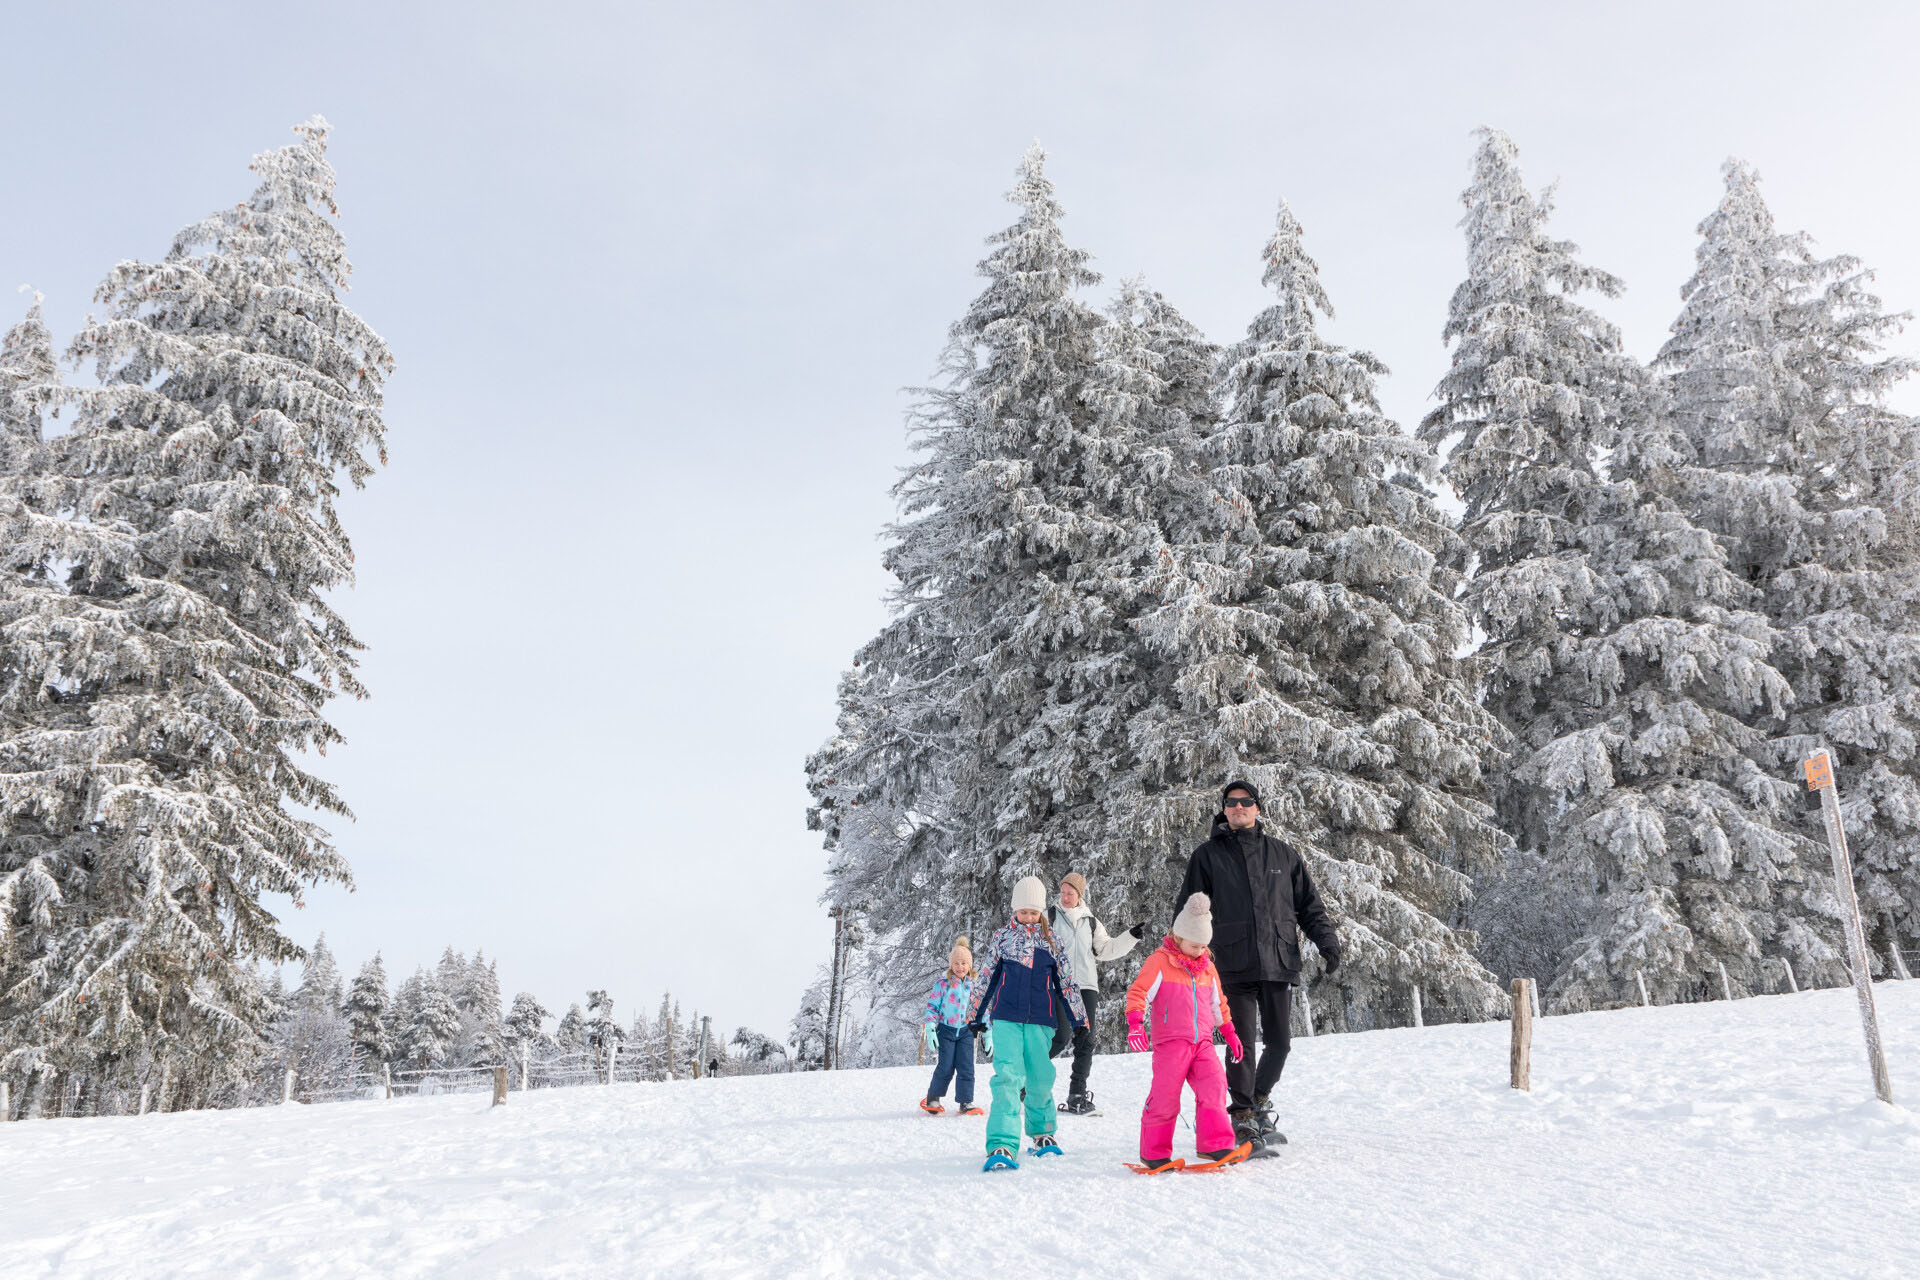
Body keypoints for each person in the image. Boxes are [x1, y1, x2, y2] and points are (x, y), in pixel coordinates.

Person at [1173, 779, 1341, 1149]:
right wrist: (1181, 953)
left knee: (1280, 1044)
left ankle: (1258, 1099)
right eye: (1231, 802)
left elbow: (1309, 906)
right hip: (1231, 963)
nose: (1239, 807)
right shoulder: (1207, 856)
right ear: (1224, 810)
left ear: (1257, 808)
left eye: (1246, 801)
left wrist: (1327, 942)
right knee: (1241, 1044)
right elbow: (1189, 909)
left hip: (1278, 959)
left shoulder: (1283, 854)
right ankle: (1243, 1115)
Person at [965, 876, 1087, 1172]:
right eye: (1023, 912)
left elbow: (1067, 984)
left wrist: (1079, 1021)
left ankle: (1043, 1133)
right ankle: (1002, 1143)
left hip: (1041, 1022)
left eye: (1034, 912)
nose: (1029, 917)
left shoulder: (1051, 941)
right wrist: (974, 1015)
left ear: (1041, 911)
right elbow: (986, 978)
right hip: (1006, 1018)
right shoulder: (1002, 938)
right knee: (1008, 1078)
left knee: (1040, 1078)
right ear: (1015, 909)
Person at [1124, 892, 1247, 1171]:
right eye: (1194, 945)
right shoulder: (1159, 962)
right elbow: (1139, 993)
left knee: (1214, 1086)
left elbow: (1219, 1004)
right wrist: (1135, 1023)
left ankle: (1215, 1144)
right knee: (1166, 1096)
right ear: (1178, 937)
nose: (1199, 951)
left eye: (1204, 946)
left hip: (1202, 1042)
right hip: (1171, 1043)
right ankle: (1154, 1152)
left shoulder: (1208, 968)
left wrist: (1230, 1033)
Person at [1048, 872, 1144, 1115]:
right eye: (1063, 892)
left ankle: (1077, 1095)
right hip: (1060, 984)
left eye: (1070, 893)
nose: (1065, 897)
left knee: (1086, 1040)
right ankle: (1026, 1082)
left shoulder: (1091, 921)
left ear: (1079, 895)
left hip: (1086, 986)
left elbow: (1105, 949)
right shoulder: (1050, 917)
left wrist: (1130, 937)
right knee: (1059, 1037)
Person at [919, 935, 981, 1116]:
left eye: (964, 963)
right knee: (945, 1066)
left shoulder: (974, 987)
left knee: (966, 1067)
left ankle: (965, 1102)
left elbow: (980, 1009)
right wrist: (930, 1027)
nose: (960, 967)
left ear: (969, 965)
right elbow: (932, 1007)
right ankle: (933, 1097)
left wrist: (988, 1031)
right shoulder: (943, 985)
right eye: (956, 963)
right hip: (946, 1030)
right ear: (951, 965)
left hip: (966, 1032)